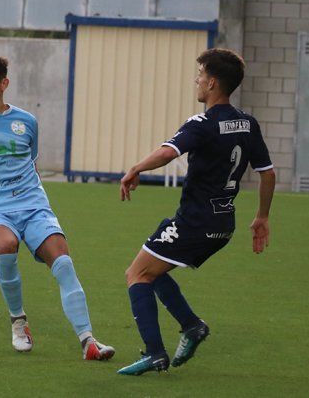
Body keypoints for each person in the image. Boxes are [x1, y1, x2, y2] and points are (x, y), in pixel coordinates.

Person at [0, 51, 115, 361]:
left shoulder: (27, 121)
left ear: (4, 83)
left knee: (63, 261)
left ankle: (89, 341)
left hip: (33, 206)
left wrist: (36, 204)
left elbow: (30, 165)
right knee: (5, 245)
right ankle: (18, 321)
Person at [116, 48, 276, 375]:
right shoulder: (248, 124)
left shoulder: (202, 123)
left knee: (136, 274)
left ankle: (154, 353)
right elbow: (268, 173)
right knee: (154, 266)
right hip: (223, 224)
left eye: (200, 74)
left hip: (196, 221)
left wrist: (136, 168)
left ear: (213, 82)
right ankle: (191, 326)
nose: (197, 80)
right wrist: (261, 217)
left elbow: (167, 152)